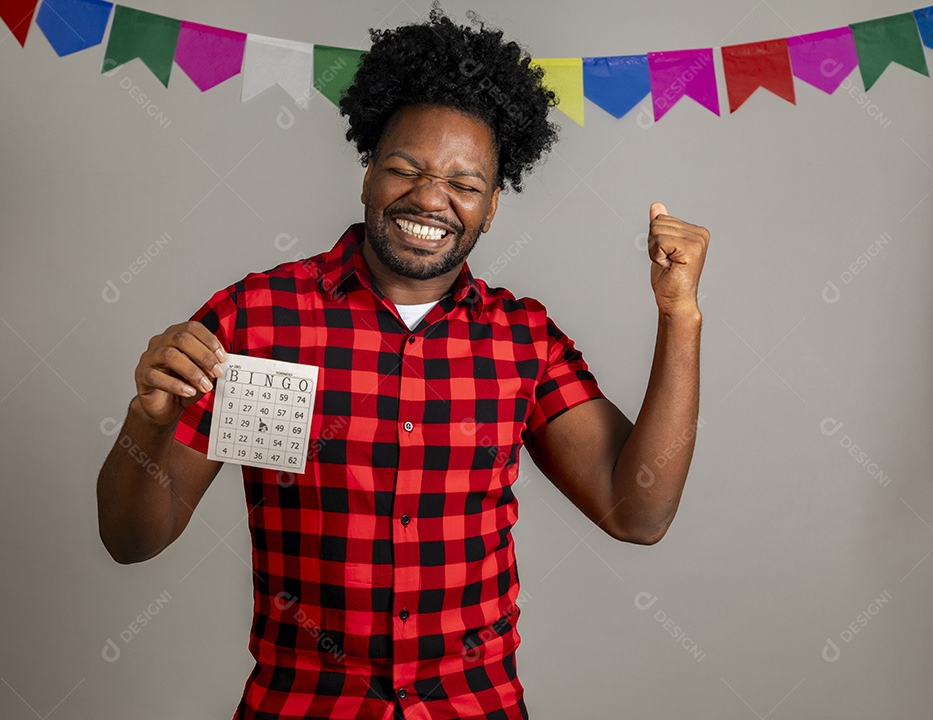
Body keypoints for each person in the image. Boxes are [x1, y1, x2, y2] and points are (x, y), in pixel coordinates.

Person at [96, 5, 710, 719]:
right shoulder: (256, 319)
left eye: (465, 183)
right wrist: (147, 421)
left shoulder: (525, 339)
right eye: (405, 168)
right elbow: (132, 539)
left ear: (491, 209)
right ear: (366, 175)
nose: (430, 197)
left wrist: (679, 319)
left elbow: (638, 512)